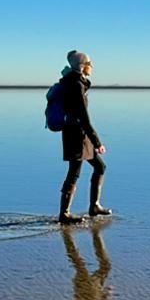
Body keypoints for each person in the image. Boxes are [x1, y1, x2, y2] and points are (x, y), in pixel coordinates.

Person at [55, 50, 110, 224]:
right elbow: (83, 117)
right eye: (89, 63)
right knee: (74, 173)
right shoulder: (75, 85)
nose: (92, 66)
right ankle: (64, 214)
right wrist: (97, 142)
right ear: (82, 66)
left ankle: (94, 206)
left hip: (79, 134)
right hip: (76, 134)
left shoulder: (75, 82)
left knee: (100, 167)